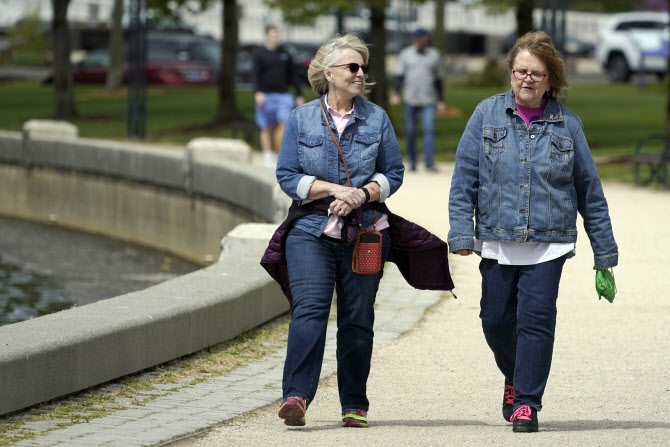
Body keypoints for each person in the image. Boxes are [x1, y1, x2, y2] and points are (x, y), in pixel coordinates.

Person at [447, 31, 618, 433]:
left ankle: (526, 402)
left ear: (550, 79)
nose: (527, 79)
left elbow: (589, 192)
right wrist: (460, 232)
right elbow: (464, 179)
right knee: (495, 320)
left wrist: (604, 255)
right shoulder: (485, 115)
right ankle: (514, 376)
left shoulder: (568, 125)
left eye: (537, 74)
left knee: (536, 322)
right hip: (496, 240)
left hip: (549, 244)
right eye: (521, 71)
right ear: (510, 72)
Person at [270, 33, 405, 428]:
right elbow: (286, 175)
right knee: (309, 310)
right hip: (309, 230)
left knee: (357, 319)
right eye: (352, 67)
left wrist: (361, 195)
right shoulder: (302, 118)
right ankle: (296, 396)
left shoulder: (377, 118)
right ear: (329, 73)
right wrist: (333, 190)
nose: (360, 73)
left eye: (363, 67)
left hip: (364, 232)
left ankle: (354, 403)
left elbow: (393, 174)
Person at [390, 27, 446, 172]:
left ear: (426, 39)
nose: (419, 41)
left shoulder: (434, 55)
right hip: (410, 99)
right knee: (410, 132)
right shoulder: (405, 54)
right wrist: (395, 92)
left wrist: (441, 100)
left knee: (428, 130)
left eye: (421, 38)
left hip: (428, 99)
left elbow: (439, 79)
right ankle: (413, 163)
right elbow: (400, 76)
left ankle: (429, 163)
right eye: (416, 39)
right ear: (413, 40)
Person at [252, 25, 304, 167]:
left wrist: (299, 95)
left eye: (277, 34)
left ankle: (280, 153)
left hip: (283, 96)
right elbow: (255, 75)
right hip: (266, 95)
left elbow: (293, 76)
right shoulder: (259, 54)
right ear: (267, 36)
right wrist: (257, 92)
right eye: (273, 34)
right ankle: (268, 156)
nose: (276, 37)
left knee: (284, 125)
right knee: (266, 127)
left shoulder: (285, 54)